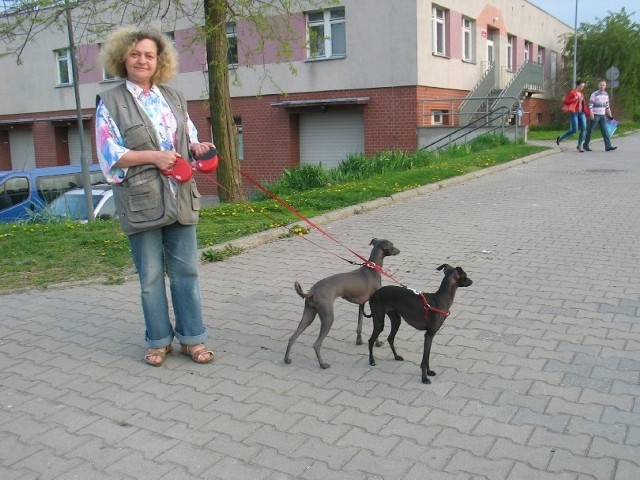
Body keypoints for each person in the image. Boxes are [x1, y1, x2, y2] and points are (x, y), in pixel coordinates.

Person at [95, 27, 215, 367]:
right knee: (150, 277)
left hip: (181, 196)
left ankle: (192, 338)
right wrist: (153, 157)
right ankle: (158, 340)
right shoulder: (112, 101)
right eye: (136, 54)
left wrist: (197, 147)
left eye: (149, 55)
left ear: (159, 60)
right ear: (123, 58)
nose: (142, 60)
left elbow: (188, 135)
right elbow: (110, 154)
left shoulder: (173, 97)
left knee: (186, 271)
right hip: (141, 200)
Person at [556, 80, 590, 152]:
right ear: (577, 85)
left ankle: (579, 146)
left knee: (584, 129)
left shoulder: (582, 94)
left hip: (582, 113)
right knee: (574, 129)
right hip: (574, 112)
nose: (582, 88)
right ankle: (561, 138)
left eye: (583, 86)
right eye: (581, 86)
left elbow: (584, 104)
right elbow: (565, 101)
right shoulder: (572, 92)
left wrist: (588, 113)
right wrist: (573, 100)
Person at [583, 80, 617, 152]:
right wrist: (591, 113)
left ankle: (608, 146)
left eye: (604, 85)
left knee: (605, 131)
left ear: (605, 86)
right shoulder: (594, 94)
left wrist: (610, 115)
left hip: (602, 115)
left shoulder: (606, 94)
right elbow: (590, 105)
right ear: (598, 86)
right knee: (590, 130)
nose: (602, 86)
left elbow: (607, 106)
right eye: (601, 85)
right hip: (595, 115)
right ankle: (585, 145)